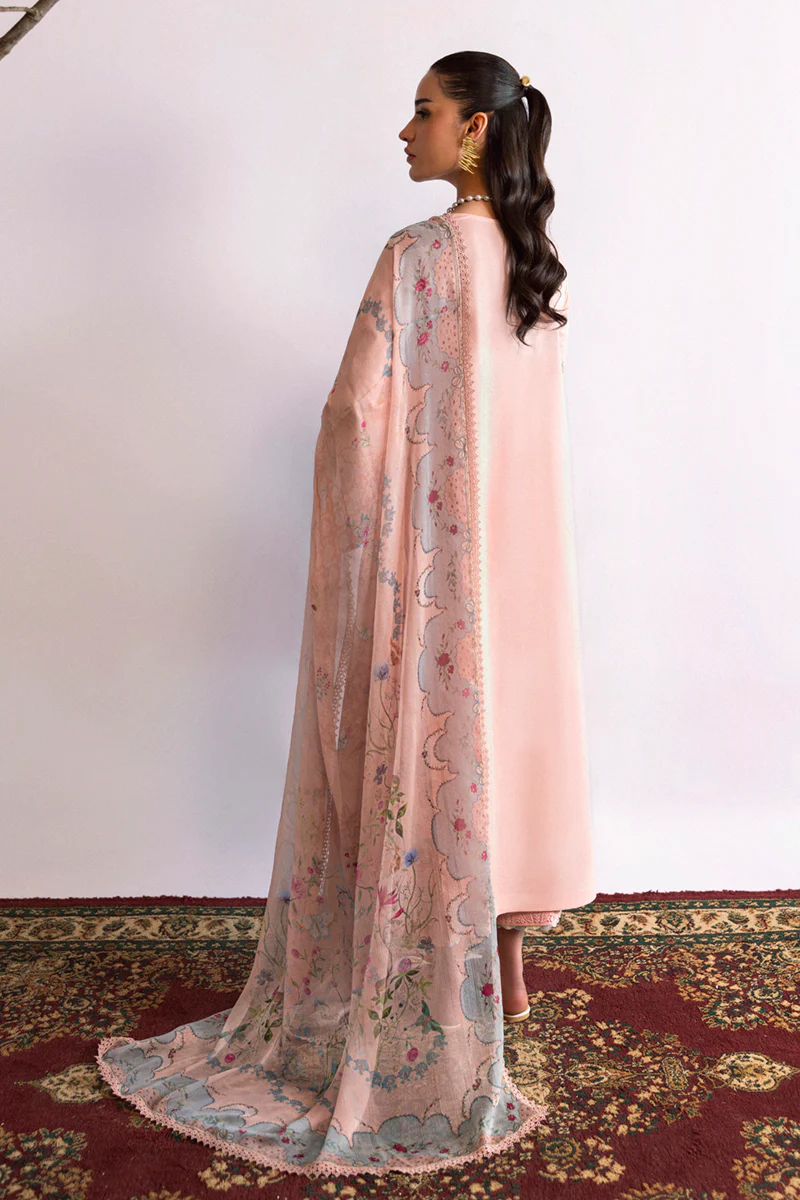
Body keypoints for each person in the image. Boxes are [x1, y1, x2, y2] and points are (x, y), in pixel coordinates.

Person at [95, 50, 595, 1179]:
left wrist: (360, 533)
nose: (404, 131)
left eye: (424, 111)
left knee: (430, 748)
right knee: (509, 745)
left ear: (474, 130)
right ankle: (509, 971)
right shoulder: (534, 264)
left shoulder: (419, 255)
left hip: (440, 578)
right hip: (524, 569)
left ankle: (428, 982)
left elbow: (350, 415)